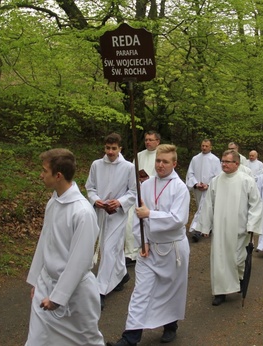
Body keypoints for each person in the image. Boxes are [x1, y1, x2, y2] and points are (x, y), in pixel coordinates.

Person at [109, 144, 190, 346]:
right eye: (158, 161)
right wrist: (142, 242)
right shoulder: (145, 185)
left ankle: (170, 325)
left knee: (170, 291)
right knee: (140, 292)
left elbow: (178, 219)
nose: (160, 165)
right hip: (149, 249)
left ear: (174, 163)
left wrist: (150, 214)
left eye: (165, 161)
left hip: (172, 249)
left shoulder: (180, 188)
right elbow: (137, 218)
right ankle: (130, 338)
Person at [26, 148, 104, 346]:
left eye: (44, 171)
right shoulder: (53, 202)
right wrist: (36, 280)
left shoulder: (82, 212)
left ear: (58, 175)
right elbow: (45, 241)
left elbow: (80, 260)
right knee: (37, 340)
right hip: (46, 283)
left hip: (76, 293)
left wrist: (58, 297)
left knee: (87, 341)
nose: (41, 175)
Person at [198, 150, 263, 306]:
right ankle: (220, 292)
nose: (224, 164)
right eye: (223, 161)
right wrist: (205, 226)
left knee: (238, 260)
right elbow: (208, 205)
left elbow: (256, 205)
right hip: (220, 229)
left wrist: (252, 225)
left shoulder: (247, 181)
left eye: (228, 162)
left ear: (237, 164)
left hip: (240, 229)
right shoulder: (216, 181)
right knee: (219, 260)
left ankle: (239, 281)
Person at [85, 133, 137, 310]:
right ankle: (122, 275)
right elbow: (90, 187)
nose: (110, 151)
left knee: (108, 248)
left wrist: (120, 202)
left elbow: (133, 191)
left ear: (120, 148)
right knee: (110, 247)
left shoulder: (128, 167)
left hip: (117, 214)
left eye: (114, 148)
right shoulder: (96, 165)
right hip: (101, 212)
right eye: (107, 148)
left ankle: (100, 291)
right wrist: (95, 200)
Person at [124, 131, 161, 266]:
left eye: (151, 140)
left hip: (154, 194)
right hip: (138, 192)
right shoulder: (138, 155)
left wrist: (149, 178)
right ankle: (131, 252)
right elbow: (132, 174)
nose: (148, 142)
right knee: (131, 222)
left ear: (158, 141)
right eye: (146, 140)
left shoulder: (160, 156)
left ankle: (150, 249)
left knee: (148, 223)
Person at [185, 139, 222, 242]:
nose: (204, 148)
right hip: (198, 188)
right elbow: (190, 173)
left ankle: (197, 230)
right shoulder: (195, 158)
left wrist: (209, 185)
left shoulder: (215, 160)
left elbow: (218, 176)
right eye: (203, 145)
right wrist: (196, 184)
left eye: (206, 146)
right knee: (200, 208)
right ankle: (207, 227)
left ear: (211, 147)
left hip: (209, 189)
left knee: (203, 208)